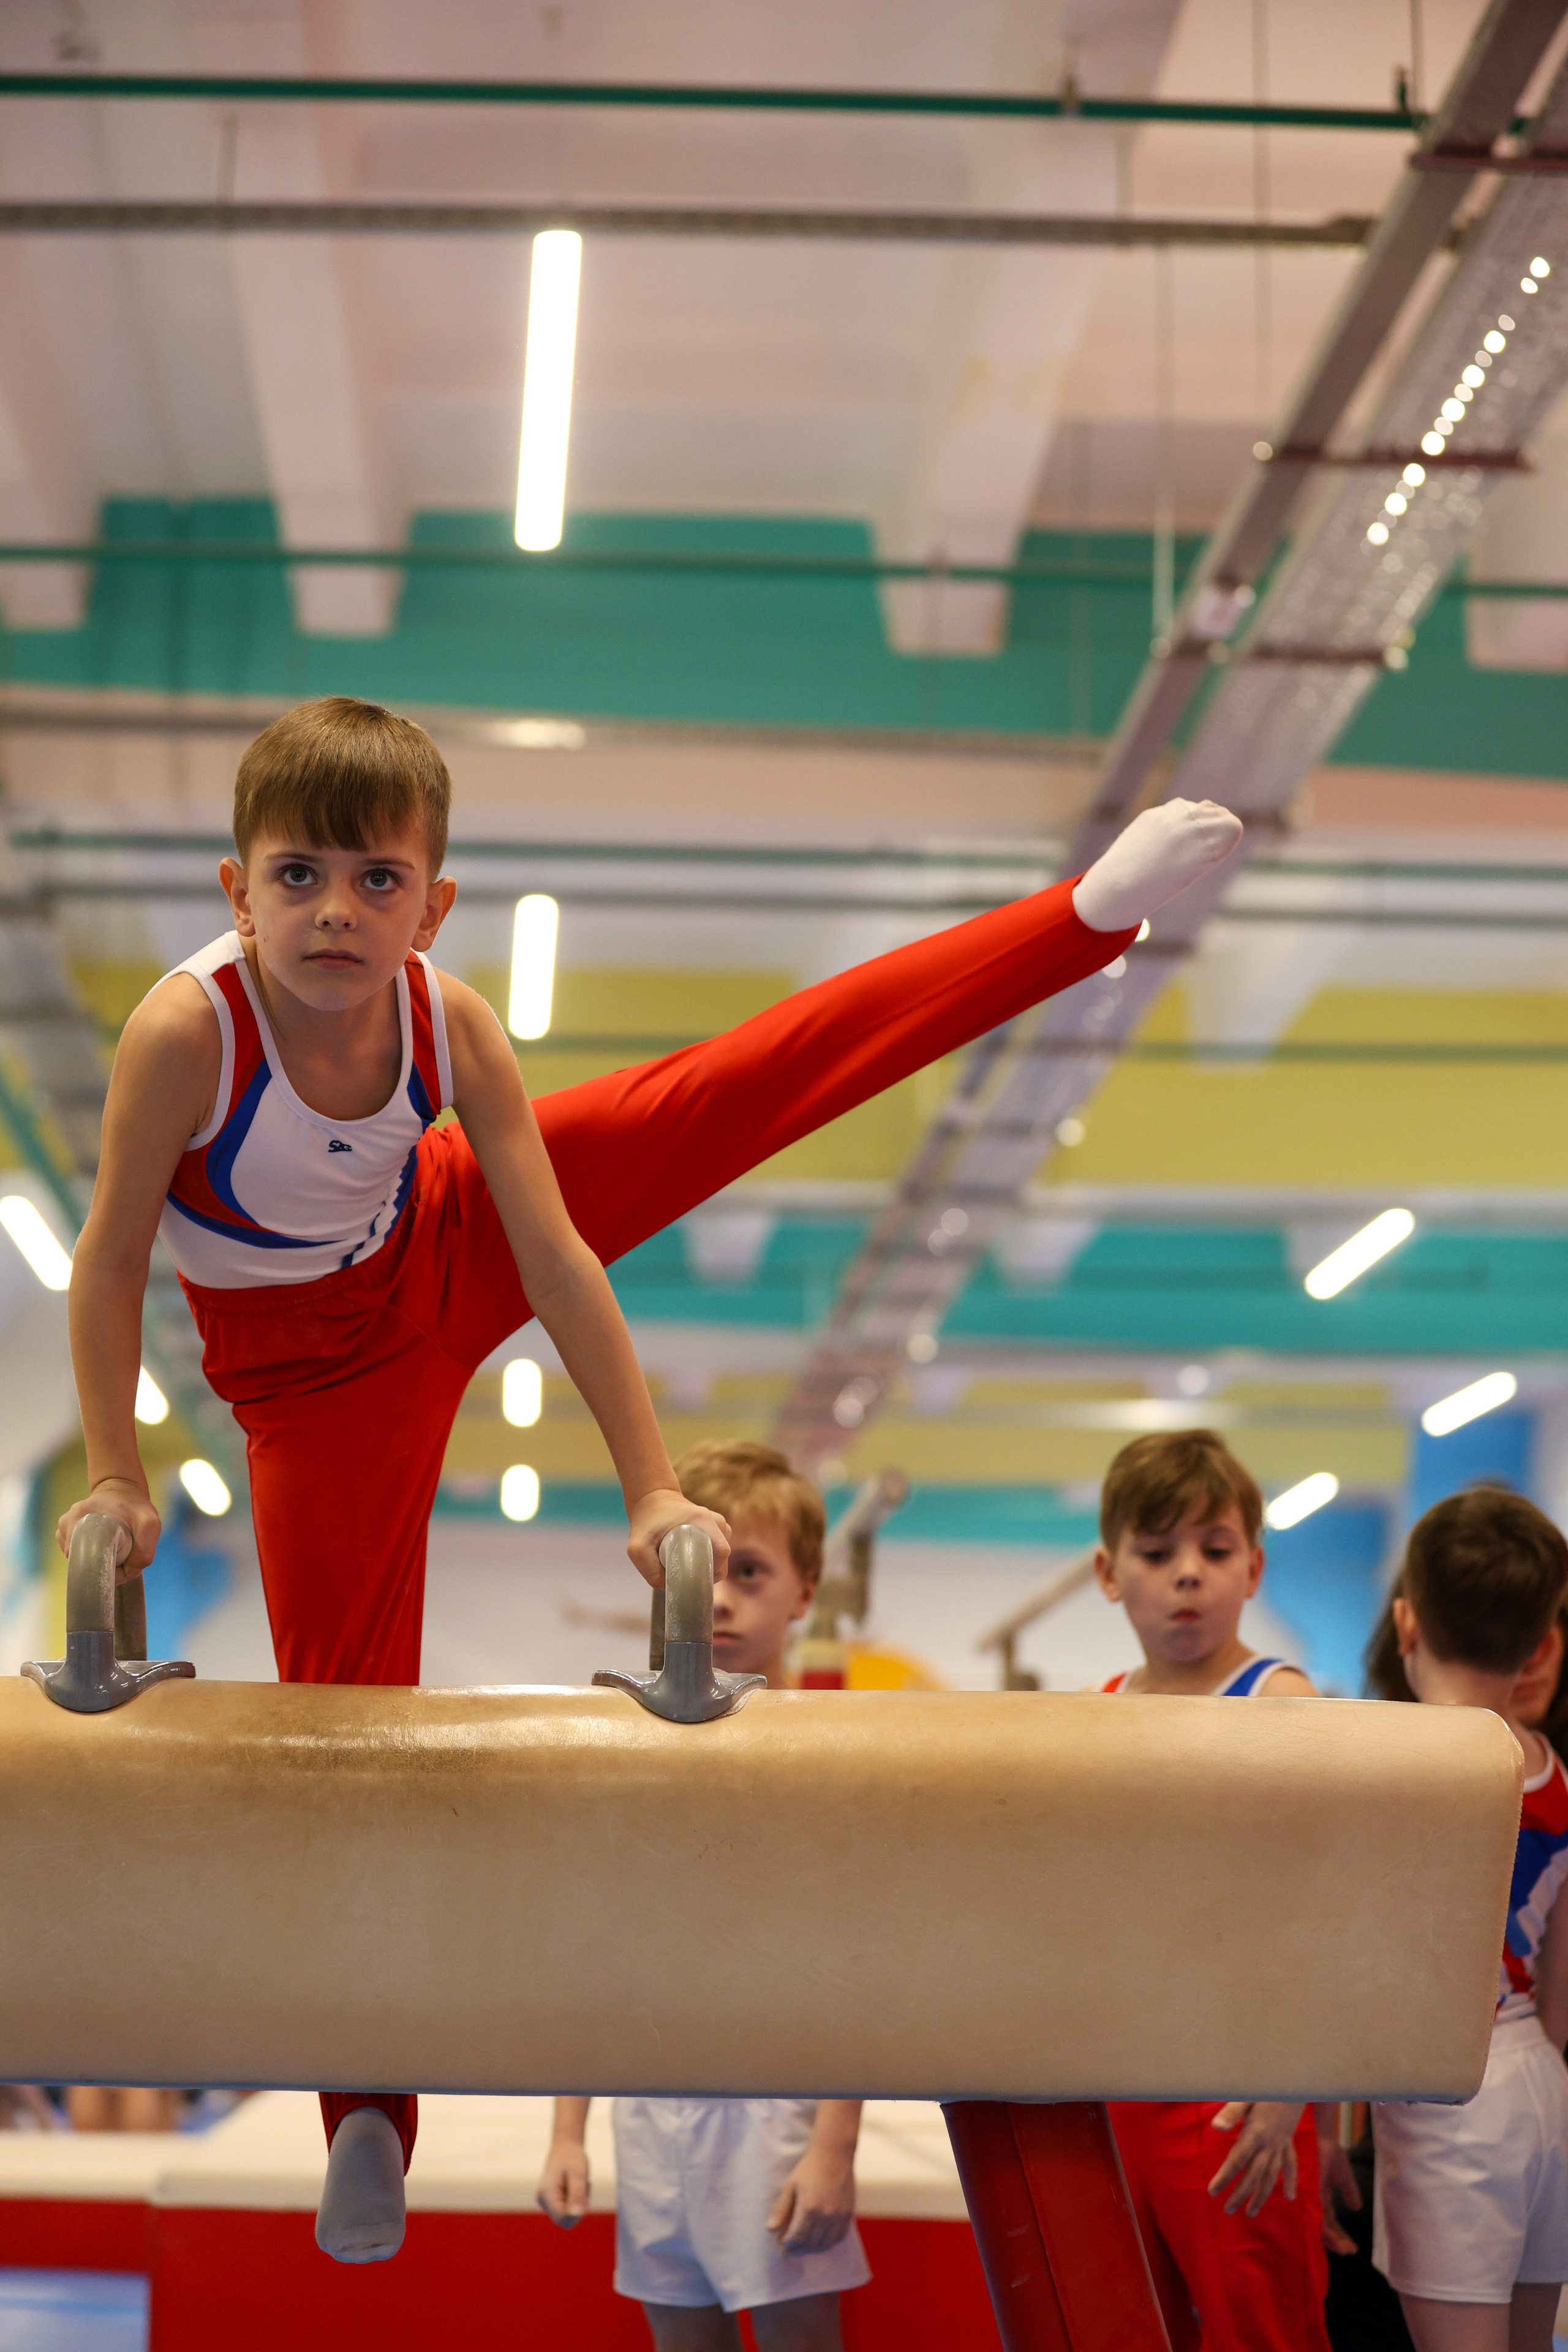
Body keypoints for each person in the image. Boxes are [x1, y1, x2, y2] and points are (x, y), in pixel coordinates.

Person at [55, 694, 1242, 2263]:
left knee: (725, 1087)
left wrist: (650, 1490)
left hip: (452, 1230)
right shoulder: (181, 1034)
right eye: (297, 877)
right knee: (348, 1717)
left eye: (376, 879)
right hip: (312, 1389)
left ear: (435, 902)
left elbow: (555, 1260)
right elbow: (110, 1262)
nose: (335, 912)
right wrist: (121, 1478)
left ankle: (1072, 922)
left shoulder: (449, 1023)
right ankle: (364, 2111)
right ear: (233, 888)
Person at [538, 1442, 868, 2352]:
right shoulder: (627, 1759)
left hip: (780, 2103)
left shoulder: (832, 1754)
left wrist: (834, 2147)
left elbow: (856, 1964)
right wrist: (570, 2132)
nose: (717, 1597)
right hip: (653, 2101)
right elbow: (598, 1954)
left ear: (805, 1593)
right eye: (696, 1573)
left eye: (748, 1573)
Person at [1091, 1428, 1336, 2352]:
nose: (1187, 1574)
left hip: (1237, 2091)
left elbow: (1325, 1909)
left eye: (1215, 1550)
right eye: (1158, 1553)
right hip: (1119, 2077)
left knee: (1259, 2329)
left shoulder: (1282, 1707)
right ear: (1109, 1572)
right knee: (1135, 2326)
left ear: (1255, 1568)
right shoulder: (1095, 1711)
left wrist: (1292, 2089)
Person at [1371, 1486, 1568, 2352]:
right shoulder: (1553, 1771)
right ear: (1539, 1646)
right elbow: (1561, 1991)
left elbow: (1348, 1960)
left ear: (1407, 1623)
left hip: (1450, 2094)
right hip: (1542, 2087)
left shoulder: (1400, 1771)